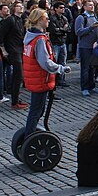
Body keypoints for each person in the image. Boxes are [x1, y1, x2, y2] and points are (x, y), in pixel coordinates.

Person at [22, 9, 71, 137]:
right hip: (40, 78)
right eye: (46, 18)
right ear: (39, 21)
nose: (48, 20)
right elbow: (45, 62)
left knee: (39, 109)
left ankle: (31, 133)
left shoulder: (30, 36)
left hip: (35, 77)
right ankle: (29, 136)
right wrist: (61, 68)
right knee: (36, 110)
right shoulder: (39, 39)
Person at [0, 2, 28, 109]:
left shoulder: (21, 20)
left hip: (19, 49)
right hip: (13, 50)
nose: (21, 7)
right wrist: (3, 50)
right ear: (14, 8)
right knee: (18, 75)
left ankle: (15, 98)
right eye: (18, 6)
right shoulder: (10, 20)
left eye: (22, 6)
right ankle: (14, 102)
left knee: (19, 76)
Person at [74, 0, 98, 96]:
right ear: (84, 7)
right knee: (85, 68)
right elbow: (78, 32)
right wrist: (90, 28)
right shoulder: (81, 18)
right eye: (89, 5)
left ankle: (91, 86)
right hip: (85, 46)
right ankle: (84, 87)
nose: (92, 7)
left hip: (94, 46)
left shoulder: (94, 17)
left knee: (92, 67)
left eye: (93, 5)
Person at [47, 1, 70, 87]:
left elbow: (69, 29)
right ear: (56, 9)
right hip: (55, 43)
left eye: (63, 8)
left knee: (63, 62)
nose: (62, 9)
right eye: (60, 8)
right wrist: (63, 29)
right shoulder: (52, 18)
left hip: (63, 42)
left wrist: (62, 30)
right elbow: (54, 30)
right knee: (55, 62)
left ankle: (62, 80)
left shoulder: (64, 18)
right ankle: (54, 80)